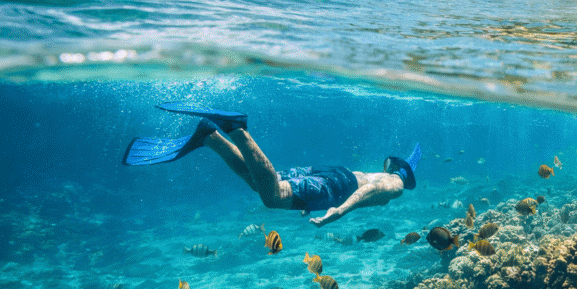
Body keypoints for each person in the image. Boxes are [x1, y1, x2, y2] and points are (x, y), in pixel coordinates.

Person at [122, 103, 419, 227]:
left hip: (330, 176)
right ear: (404, 174)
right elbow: (369, 192)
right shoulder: (397, 185)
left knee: (259, 182)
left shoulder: (378, 171)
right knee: (272, 197)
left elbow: (359, 183)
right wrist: (338, 211)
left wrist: (313, 204)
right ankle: (237, 129)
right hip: (337, 186)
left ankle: (210, 137)